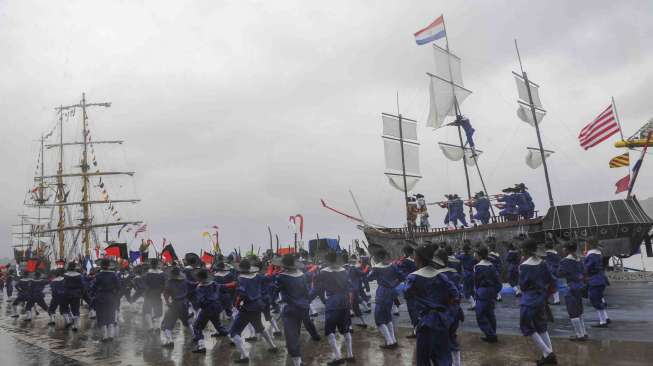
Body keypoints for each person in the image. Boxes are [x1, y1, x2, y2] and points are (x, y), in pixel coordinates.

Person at [404, 245, 460, 366]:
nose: (413, 258)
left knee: (423, 359)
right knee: (443, 357)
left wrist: (416, 322)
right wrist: (448, 315)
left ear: (418, 258)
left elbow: (408, 298)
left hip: (425, 323)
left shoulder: (413, 277)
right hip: (442, 320)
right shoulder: (442, 276)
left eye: (415, 255)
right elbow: (455, 296)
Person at [228, 259, 278, 363]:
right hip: (258, 305)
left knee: (234, 332)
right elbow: (268, 278)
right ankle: (273, 346)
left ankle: (244, 356)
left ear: (240, 269)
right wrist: (274, 270)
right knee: (260, 327)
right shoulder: (257, 276)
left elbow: (241, 295)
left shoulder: (241, 279)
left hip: (248, 308)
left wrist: (236, 305)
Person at [312, 250, 354, 365]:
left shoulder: (323, 272)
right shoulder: (345, 271)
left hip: (332, 303)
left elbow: (315, 284)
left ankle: (338, 357)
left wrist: (315, 271)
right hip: (344, 301)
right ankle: (350, 355)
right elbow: (350, 286)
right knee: (346, 329)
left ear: (327, 260)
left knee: (329, 331)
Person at [519, 239, 557, 365]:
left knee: (526, 326)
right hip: (541, 299)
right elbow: (551, 280)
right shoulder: (543, 263)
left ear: (525, 250)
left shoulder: (524, 266)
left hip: (529, 300)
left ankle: (548, 353)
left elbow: (523, 286)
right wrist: (546, 294)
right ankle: (548, 355)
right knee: (541, 327)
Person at [273, 254, 314, 366]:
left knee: (291, 337)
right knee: (296, 333)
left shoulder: (281, 277)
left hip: (290, 309)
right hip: (302, 308)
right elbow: (307, 292)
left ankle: (297, 362)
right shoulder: (302, 275)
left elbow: (274, 291)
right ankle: (298, 361)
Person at [192, 268, 236, 353]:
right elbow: (224, 287)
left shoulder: (200, 288)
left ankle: (201, 347)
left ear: (200, 278)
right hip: (217, 307)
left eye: (197, 277)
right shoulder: (214, 283)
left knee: (197, 327)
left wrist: (197, 306)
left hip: (207, 309)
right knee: (218, 326)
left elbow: (200, 301)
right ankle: (233, 338)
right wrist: (233, 284)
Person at [368, 248, 403, 349]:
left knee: (378, 318)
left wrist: (371, 268)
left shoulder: (377, 268)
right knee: (387, 316)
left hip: (382, 292)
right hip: (391, 292)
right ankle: (393, 340)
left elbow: (369, 278)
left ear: (378, 257)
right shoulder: (393, 266)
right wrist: (393, 284)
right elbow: (401, 277)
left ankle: (389, 342)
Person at [436, 248, 464, 366]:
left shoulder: (438, 275)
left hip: (444, 311)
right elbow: (458, 292)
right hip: (455, 309)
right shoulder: (454, 272)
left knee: (442, 340)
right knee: (452, 336)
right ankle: (457, 363)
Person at [557, 241, 588, 341]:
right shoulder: (579, 260)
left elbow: (559, 273)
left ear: (566, 249)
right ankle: (584, 332)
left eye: (563, 248)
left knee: (572, 312)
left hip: (570, 287)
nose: (562, 250)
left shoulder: (565, 261)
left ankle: (579, 335)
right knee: (579, 311)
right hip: (580, 286)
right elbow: (584, 272)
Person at [473, 246, 502, 343]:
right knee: (490, 314)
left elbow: (477, 281)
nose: (475, 255)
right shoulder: (491, 265)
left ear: (480, 255)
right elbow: (498, 280)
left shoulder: (478, 267)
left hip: (482, 292)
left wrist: (477, 291)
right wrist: (496, 291)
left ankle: (491, 335)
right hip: (492, 292)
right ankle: (492, 333)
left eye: (476, 254)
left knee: (480, 314)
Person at [161, 266, 191, 348]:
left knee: (166, 324)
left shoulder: (170, 282)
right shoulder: (185, 281)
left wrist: (167, 303)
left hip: (175, 304)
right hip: (185, 303)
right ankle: (195, 338)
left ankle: (170, 341)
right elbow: (191, 290)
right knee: (187, 322)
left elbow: (165, 294)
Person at [584, 238, 611, 328]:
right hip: (601, 278)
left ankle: (602, 321)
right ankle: (605, 318)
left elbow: (587, 267)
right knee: (599, 298)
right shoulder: (598, 253)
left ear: (589, 245)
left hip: (595, 280)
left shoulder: (591, 255)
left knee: (595, 299)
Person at [92, 259, 120, 342]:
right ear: (108, 266)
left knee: (102, 315)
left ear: (101, 266)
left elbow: (94, 287)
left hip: (101, 297)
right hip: (111, 297)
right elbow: (118, 286)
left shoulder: (98, 275)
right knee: (111, 315)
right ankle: (111, 335)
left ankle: (105, 336)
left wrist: (94, 293)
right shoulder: (114, 275)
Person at [396, 246, 418, 338]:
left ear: (405, 252)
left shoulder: (404, 262)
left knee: (412, 310)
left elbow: (401, 274)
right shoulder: (415, 261)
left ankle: (416, 331)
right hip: (418, 288)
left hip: (410, 288)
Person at [143, 258, 166, 332]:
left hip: (149, 294)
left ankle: (150, 327)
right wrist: (160, 291)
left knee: (147, 310)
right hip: (157, 294)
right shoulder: (162, 274)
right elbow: (164, 285)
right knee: (158, 311)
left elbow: (144, 284)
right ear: (157, 264)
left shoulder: (147, 274)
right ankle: (157, 327)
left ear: (151, 264)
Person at [456, 244, 477, 310]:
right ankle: (475, 302)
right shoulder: (472, 257)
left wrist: (458, 252)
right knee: (472, 289)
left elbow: (456, 257)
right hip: (472, 273)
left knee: (465, 291)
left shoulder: (462, 256)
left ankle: (473, 304)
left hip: (466, 273)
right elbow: (476, 261)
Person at [64, 262, 84, 330]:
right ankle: (76, 325)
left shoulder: (65, 275)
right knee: (76, 309)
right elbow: (82, 285)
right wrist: (82, 293)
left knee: (67, 308)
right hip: (76, 294)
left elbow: (63, 285)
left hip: (67, 294)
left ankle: (70, 320)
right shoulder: (79, 275)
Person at [543, 241, 561, 305]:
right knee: (553, 285)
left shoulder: (548, 254)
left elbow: (547, 263)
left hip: (550, 270)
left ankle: (555, 300)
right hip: (556, 270)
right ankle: (555, 299)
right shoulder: (556, 253)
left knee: (549, 286)